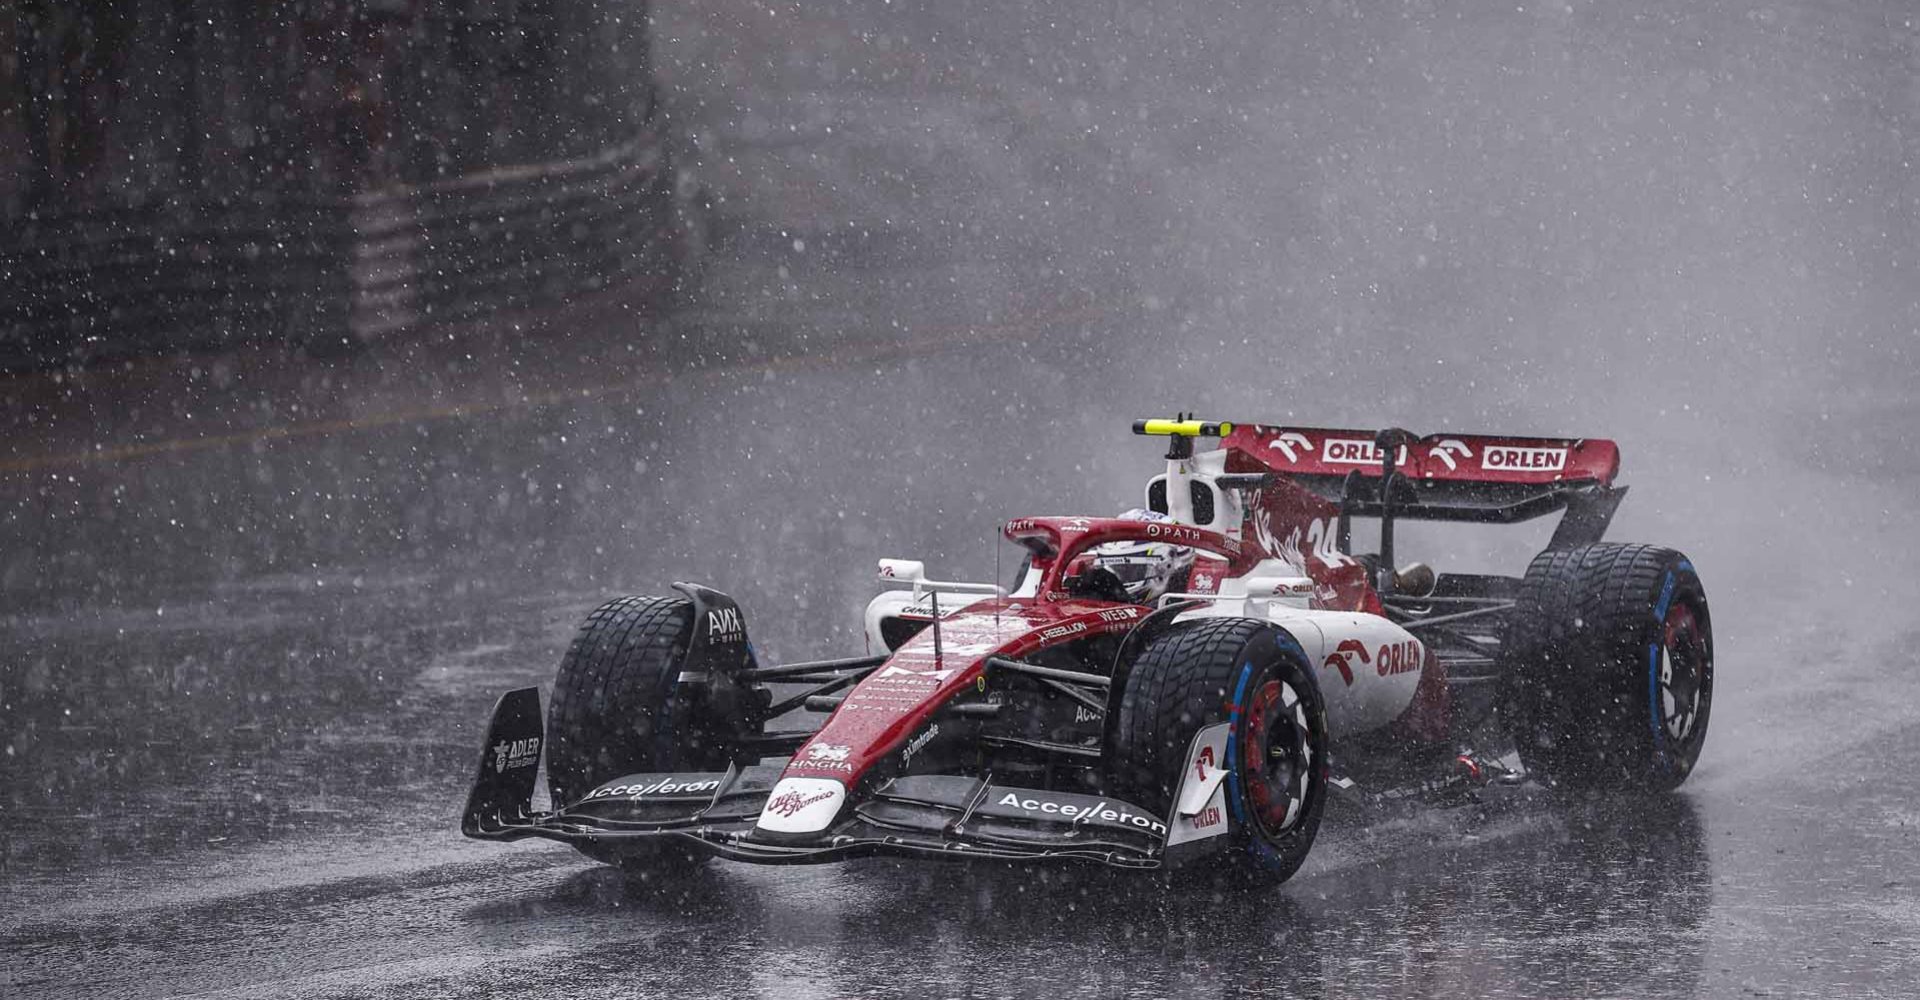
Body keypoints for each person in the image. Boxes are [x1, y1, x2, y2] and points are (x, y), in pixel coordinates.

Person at [1068, 508, 1195, 604]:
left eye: (1127, 570)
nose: (1116, 580)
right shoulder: (1098, 586)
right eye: (1113, 568)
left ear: (1165, 566)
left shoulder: (1199, 610)